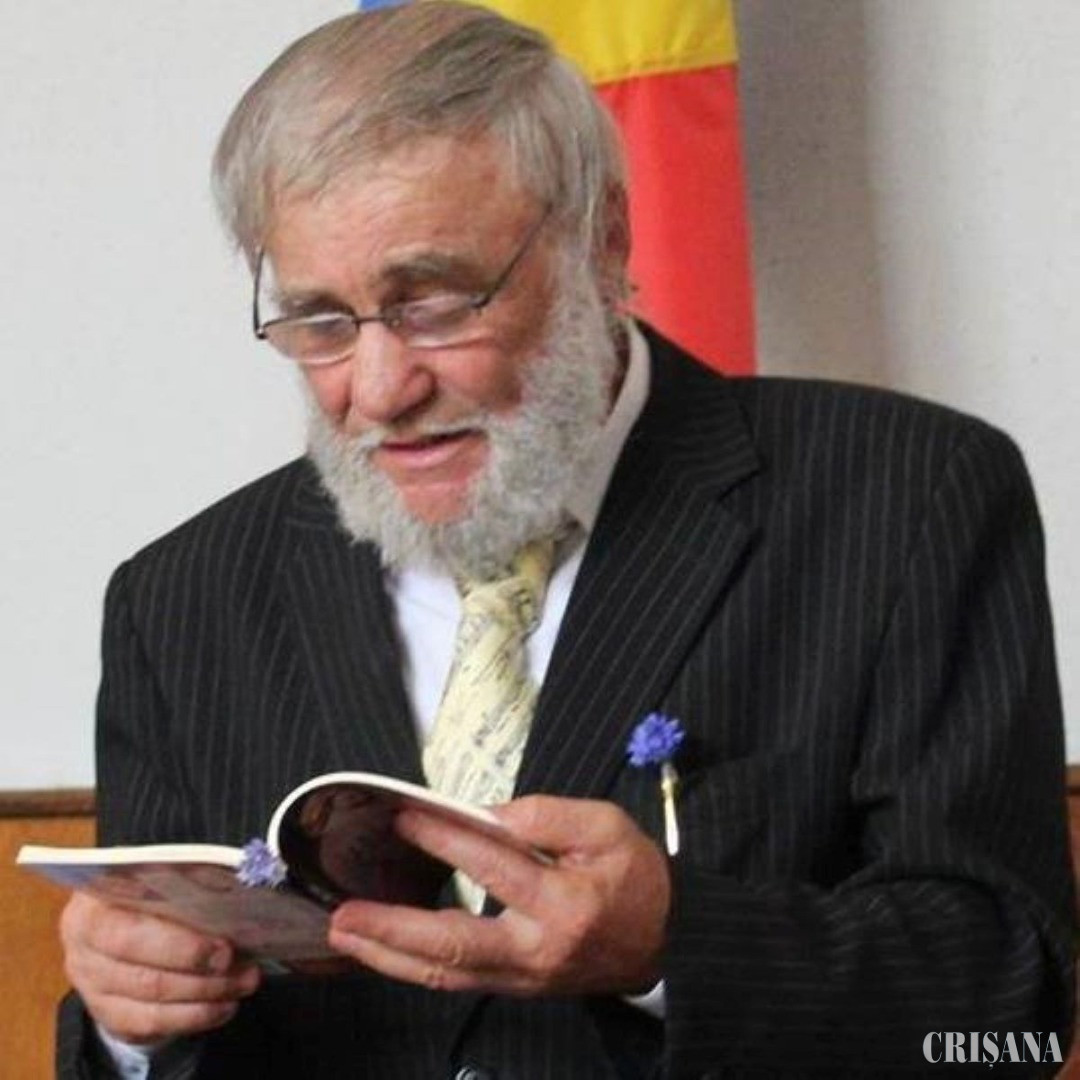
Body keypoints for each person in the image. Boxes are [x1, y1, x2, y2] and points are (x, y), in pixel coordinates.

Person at [57, 3, 1075, 1077]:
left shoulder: (905, 497)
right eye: (320, 322)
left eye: (435, 303)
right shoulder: (179, 601)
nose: (380, 389)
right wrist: (130, 1023)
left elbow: (1012, 1014)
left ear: (602, 241)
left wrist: (675, 943)